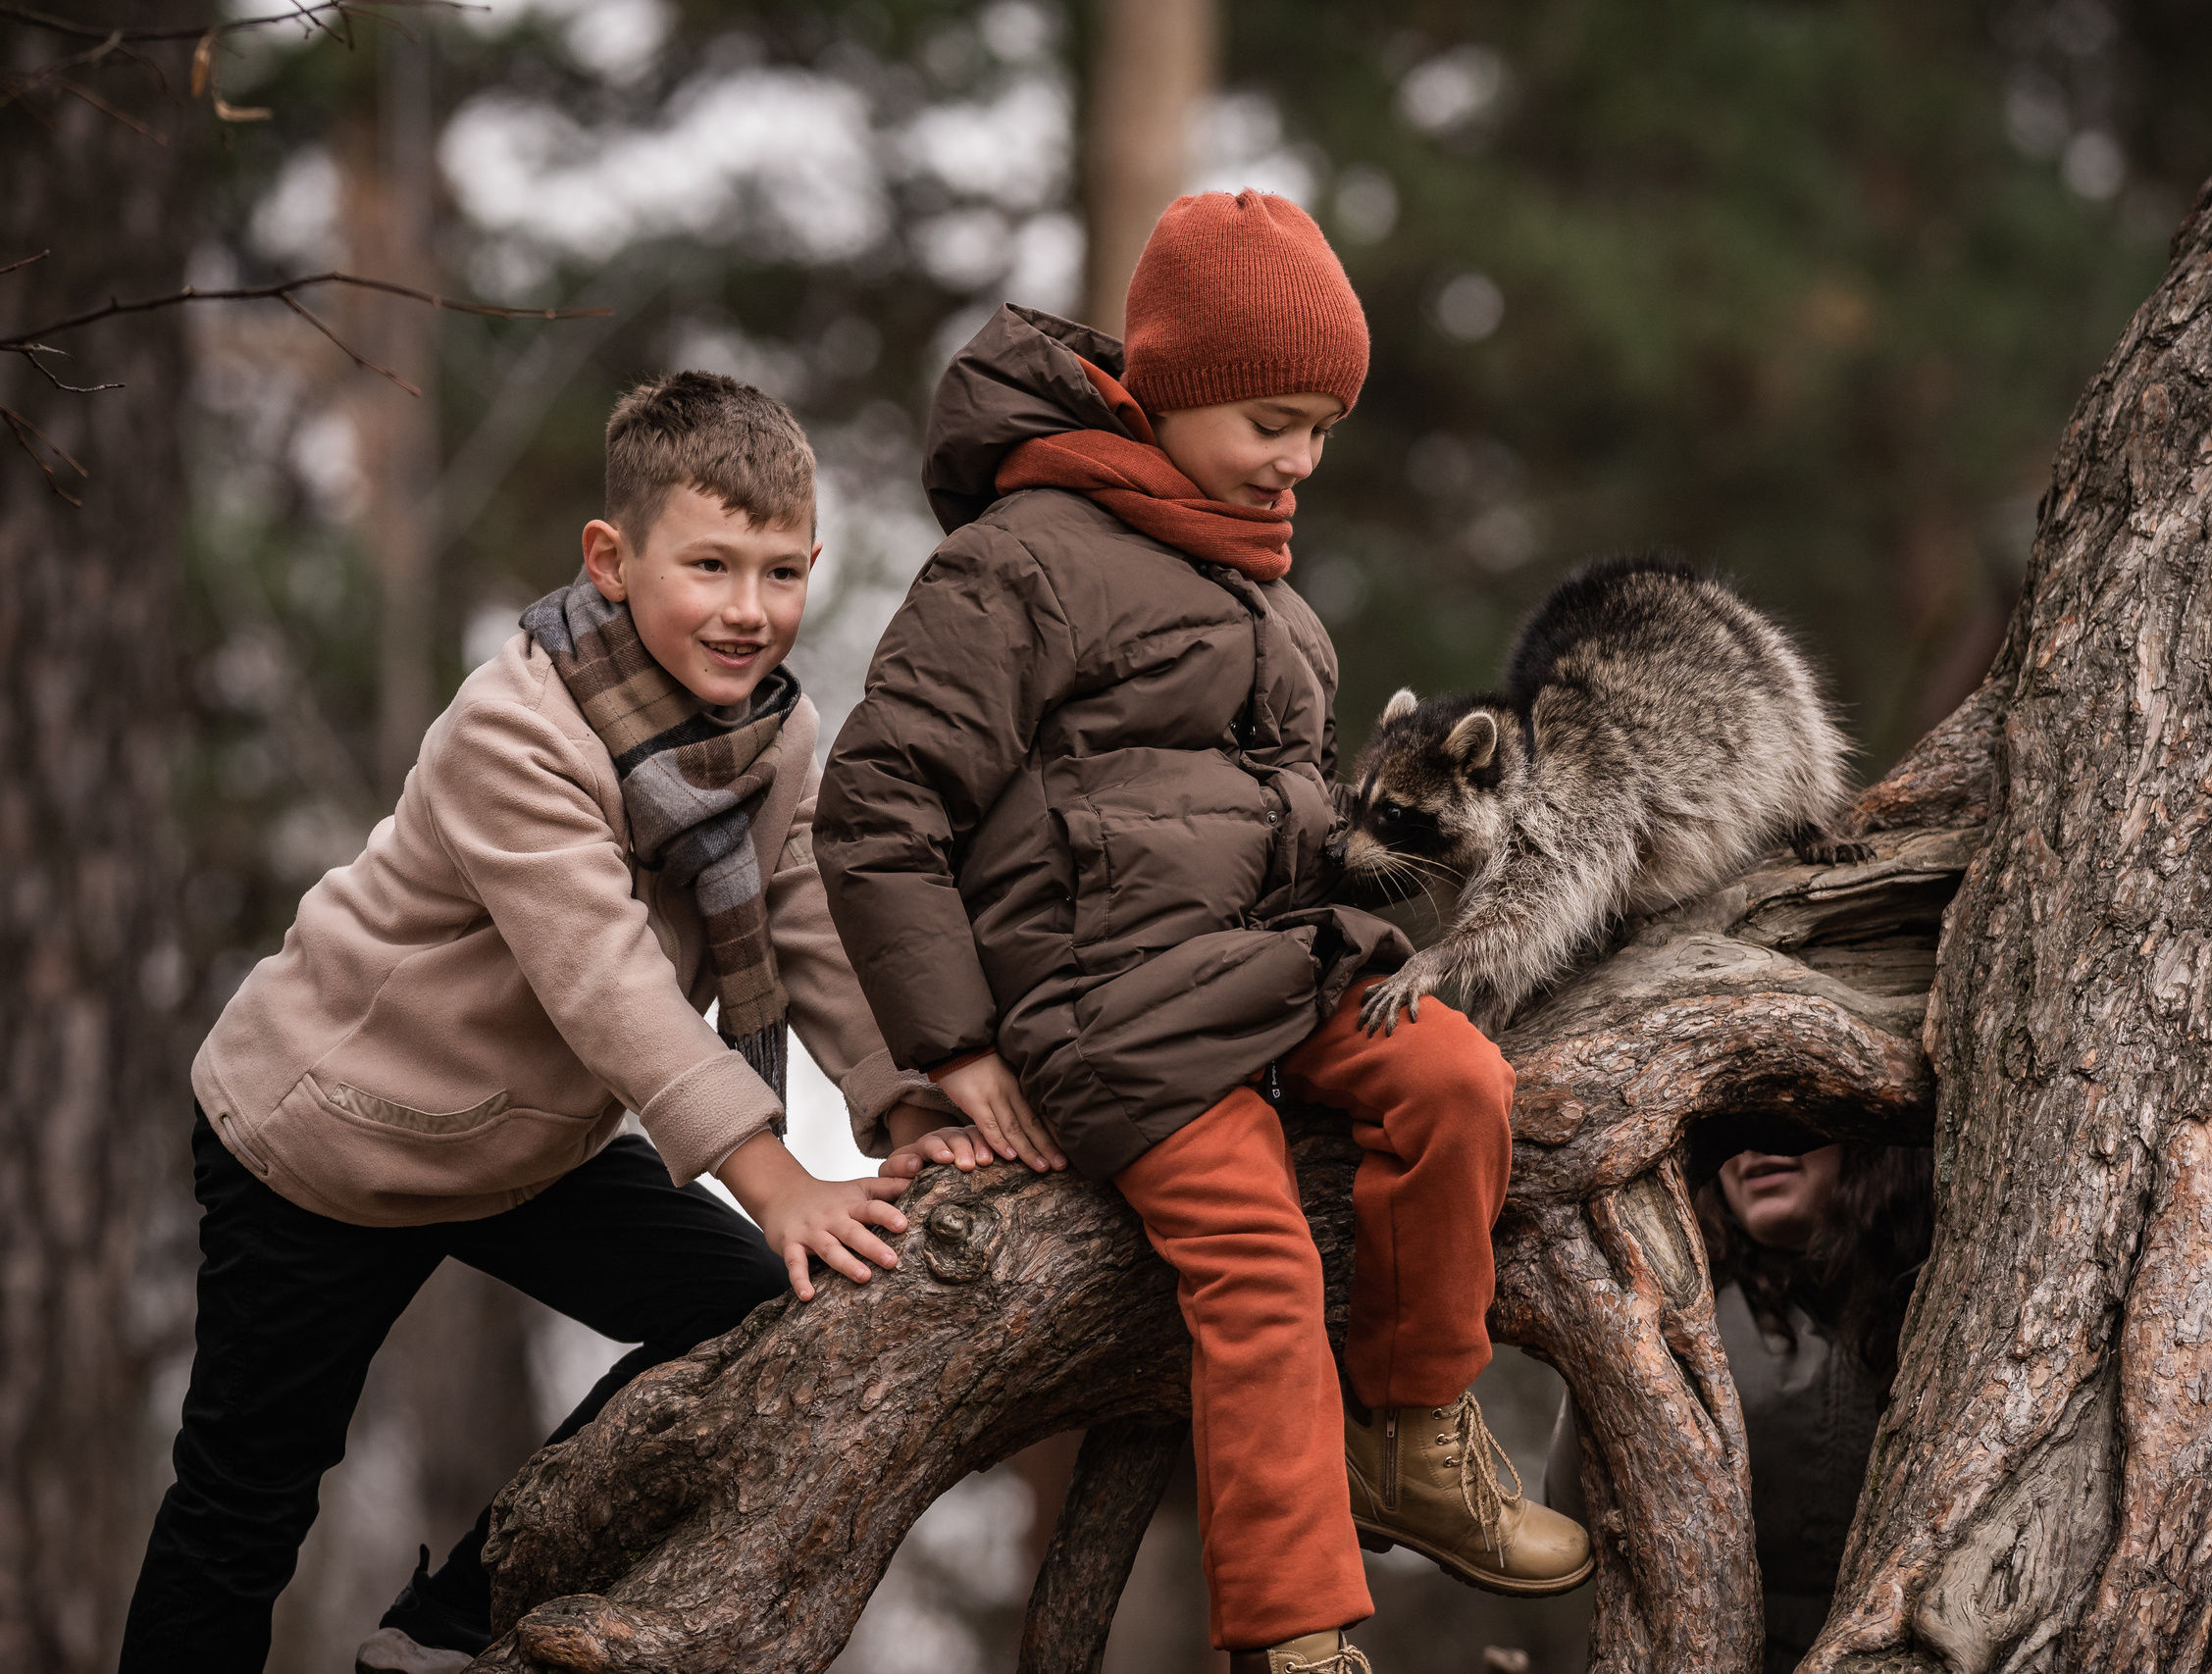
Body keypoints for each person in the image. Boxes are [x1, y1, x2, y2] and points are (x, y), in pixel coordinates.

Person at [815, 191, 1593, 1674]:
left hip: (1274, 966)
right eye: (1272, 419)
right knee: (1256, 1264)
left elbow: (1260, 810)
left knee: (1459, 1087)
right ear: (1168, 385)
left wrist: (1371, 891)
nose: (1301, 458)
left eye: (1323, 428)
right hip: (1110, 1010)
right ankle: (1294, 1630)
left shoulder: (1270, 595)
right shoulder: (1020, 563)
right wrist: (957, 1042)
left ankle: (1419, 1431)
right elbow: (878, 801)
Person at [121, 373, 981, 1674]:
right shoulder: (515, 730)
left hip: (522, 1144)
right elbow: (608, 985)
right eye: (710, 564)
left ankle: (449, 1623)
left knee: (742, 1302)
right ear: (613, 558)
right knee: (249, 1497)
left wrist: (900, 1096)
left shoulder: (778, 726)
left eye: (783, 571)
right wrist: (775, 1176)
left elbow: (805, 912)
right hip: (330, 1135)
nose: (751, 610)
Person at [1544, 1132, 1935, 1673]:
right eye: (1737, 1122)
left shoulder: (1946, 1294)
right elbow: (1575, 1521)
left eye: (1793, 1114)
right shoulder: (1675, 1307)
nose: (1760, 1143)